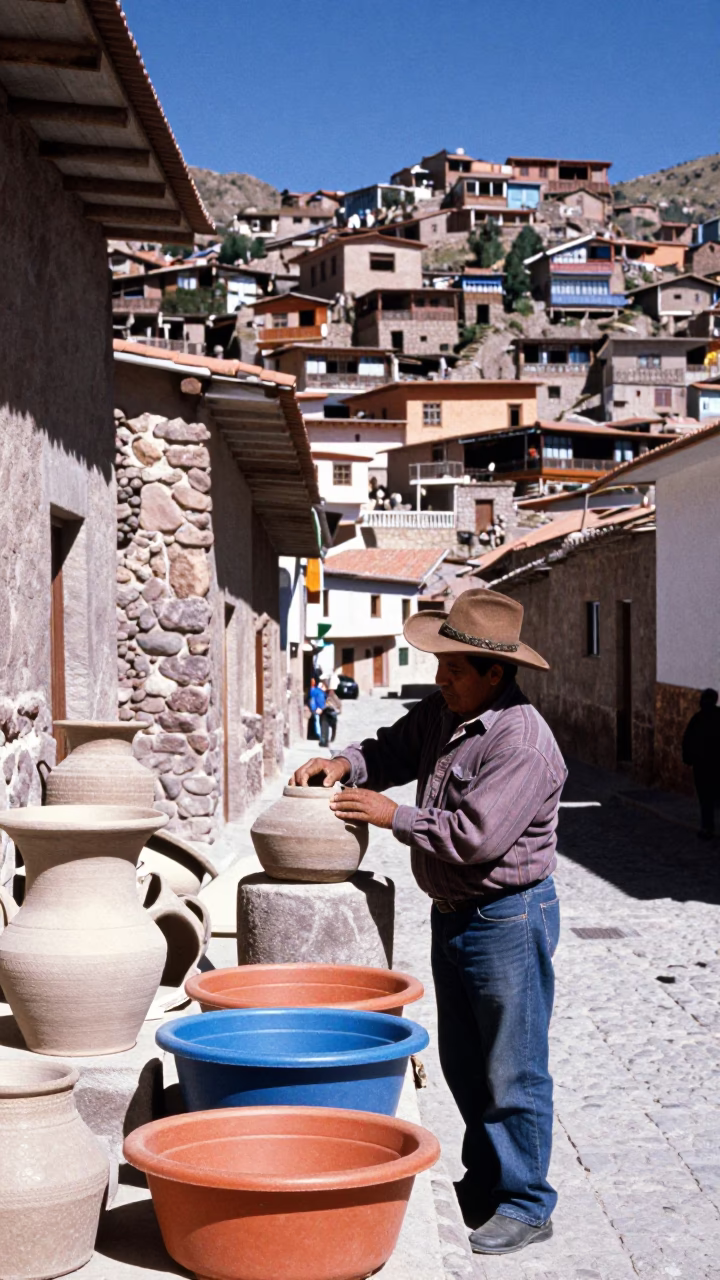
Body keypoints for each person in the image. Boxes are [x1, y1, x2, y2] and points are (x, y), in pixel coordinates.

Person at [292, 590, 565, 1256]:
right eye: (440, 664)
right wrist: (346, 763)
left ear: (495, 674)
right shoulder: (447, 714)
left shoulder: (521, 743)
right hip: (456, 915)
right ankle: (487, 1180)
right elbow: (392, 747)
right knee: (464, 1063)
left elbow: (475, 839)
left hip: (507, 916)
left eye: (453, 668)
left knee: (513, 1067)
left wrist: (393, 818)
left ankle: (528, 1202)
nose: (440, 679)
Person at [682, 688, 720, 838]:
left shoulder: (698, 718)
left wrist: (688, 758)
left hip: (703, 765)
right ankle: (707, 827)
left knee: (705, 798)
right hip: (712, 764)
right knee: (709, 796)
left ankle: (707, 827)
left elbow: (688, 740)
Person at [319, 680, 342, 748]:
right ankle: (325, 741)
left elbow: (339, 705)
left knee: (332, 726)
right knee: (325, 727)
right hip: (326, 712)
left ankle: (330, 739)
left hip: (331, 713)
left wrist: (335, 709)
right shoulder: (323, 694)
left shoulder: (332, 695)